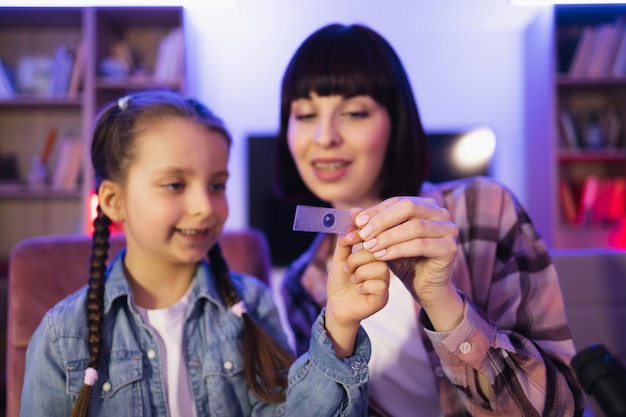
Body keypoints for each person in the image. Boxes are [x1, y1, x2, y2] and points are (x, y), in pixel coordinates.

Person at [275, 23, 588, 416]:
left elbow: (561, 408)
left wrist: (444, 303)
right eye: (304, 114)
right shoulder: (302, 284)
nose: (324, 136)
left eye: (355, 112)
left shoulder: (483, 209)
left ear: (395, 122)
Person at [20, 89, 391, 417]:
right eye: (175, 184)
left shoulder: (254, 305)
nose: (205, 207)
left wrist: (340, 324)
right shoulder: (62, 336)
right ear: (114, 202)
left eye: (217, 185)